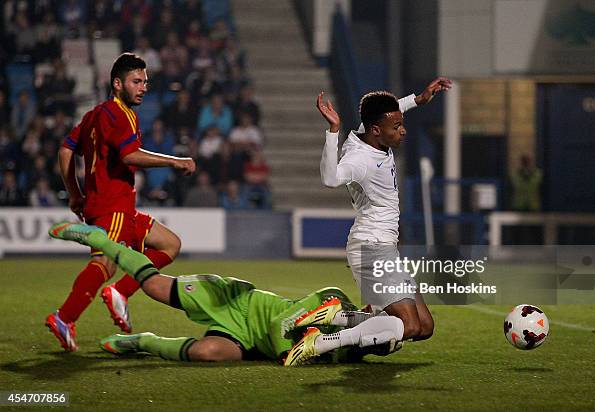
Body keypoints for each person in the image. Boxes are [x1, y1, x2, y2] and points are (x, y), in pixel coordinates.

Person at [49, 221, 406, 366]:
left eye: (372, 347)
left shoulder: (343, 352)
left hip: (244, 340)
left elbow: (296, 352)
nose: (366, 344)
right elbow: (282, 326)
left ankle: (143, 341)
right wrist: (292, 351)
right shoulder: (334, 299)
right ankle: (98, 238)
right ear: (365, 310)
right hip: (237, 301)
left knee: (209, 352)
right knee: (155, 286)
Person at [46, 53, 196, 352]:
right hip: (111, 205)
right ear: (117, 83)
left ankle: (120, 292)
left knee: (170, 244)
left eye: (145, 82)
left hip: (117, 207)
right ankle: (64, 317)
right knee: (105, 261)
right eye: (136, 81)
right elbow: (129, 155)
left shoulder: (94, 114)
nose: (143, 87)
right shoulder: (118, 115)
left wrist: (75, 193)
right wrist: (174, 161)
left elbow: (65, 151)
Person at [304, 78, 452, 365]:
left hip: (384, 248)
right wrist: (332, 131)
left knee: (424, 328)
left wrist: (418, 99)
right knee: (407, 326)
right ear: (376, 130)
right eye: (396, 127)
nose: (402, 130)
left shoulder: (369, 131)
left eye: (400, 123)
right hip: (371, 247)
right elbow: (330, 178)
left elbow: (389, 110)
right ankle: (323, 342)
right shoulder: (361, 159)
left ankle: (342, 317)